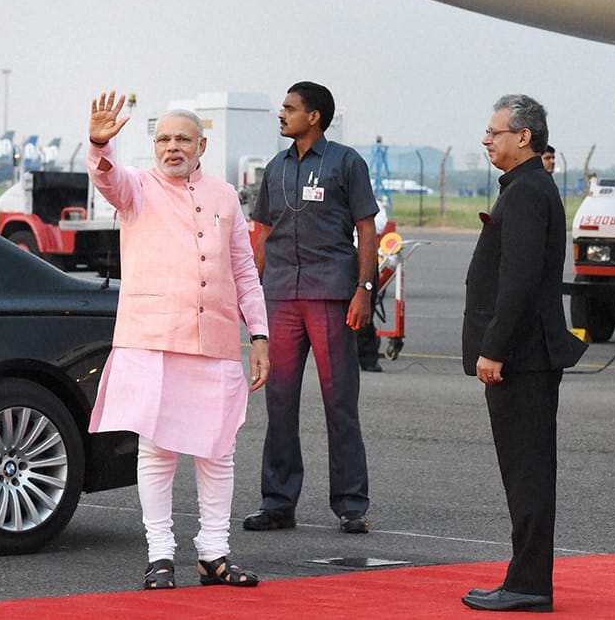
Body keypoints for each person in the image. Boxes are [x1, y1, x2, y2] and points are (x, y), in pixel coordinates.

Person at [86, 91, 269, 590]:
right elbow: (107, 178)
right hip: (152, 338)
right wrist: (100, 146)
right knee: (158, 449)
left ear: (202, 145)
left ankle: (214, 554)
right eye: (163, 138)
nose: (172, 147)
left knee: (217, 449)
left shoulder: (224, 195)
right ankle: (160, 555)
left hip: (213, 340)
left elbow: (243, 268)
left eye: (182, 139)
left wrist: (259, 333)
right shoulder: (137, 188)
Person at [461, 94, 587, 613]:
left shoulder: (530, 192)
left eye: (495, 133)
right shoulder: (525, 187)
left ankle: (530, 583)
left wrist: (493, 349)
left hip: (523, 357)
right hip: (525, 354)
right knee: (524, 472)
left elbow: (518, 281)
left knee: (528, 472)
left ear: (524, 136)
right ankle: (524, 577)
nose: (487, 141)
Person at [244, 81, 379, 535]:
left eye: (289, 108)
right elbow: (262, 235)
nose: (281, 115)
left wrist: (364, 289)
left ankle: (350, 504)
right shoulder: (275, 169)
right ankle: (278, 502)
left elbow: (367, 230)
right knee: (279, 401)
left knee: (339, 401)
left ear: (314, 116)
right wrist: (250, 299)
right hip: (281, 296)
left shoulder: (346, 162)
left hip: (330, 295)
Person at [357, 199, 389, 372]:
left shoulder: (371, 201)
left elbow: (379, 223)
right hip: (340, 257)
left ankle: (368, 357)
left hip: (365, 258)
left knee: (366, 310)